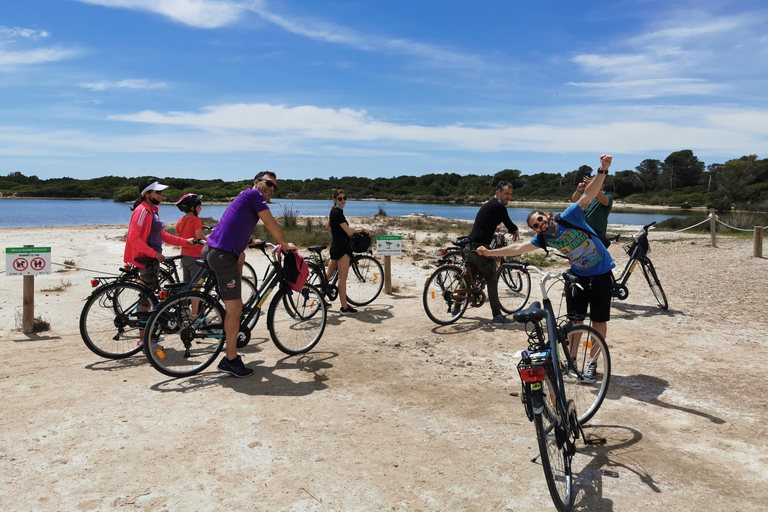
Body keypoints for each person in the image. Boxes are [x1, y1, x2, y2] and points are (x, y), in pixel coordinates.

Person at [478, 155, 615, 382]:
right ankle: (571, 362)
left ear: (547, 215)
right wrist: (491, 253)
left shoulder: (570, 215)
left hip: (601, 272)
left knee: (599, 321)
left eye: (541, 219)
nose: (540, 224)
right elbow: (517, 247)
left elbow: (589, 194)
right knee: (575, 321)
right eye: (536, 225)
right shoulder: (543, 239)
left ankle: (592, 364)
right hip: (579, 276)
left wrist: (603, 170)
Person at [205, 171, 297, 378]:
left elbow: (236, 223)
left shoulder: (245, 196)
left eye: (274, 187)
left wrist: (251, 241)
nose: (271, 189)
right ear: (256, 183)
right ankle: (230, 360)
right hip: (223, 255)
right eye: (268, 183)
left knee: (242, 257)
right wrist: (285, 244)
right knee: (234, 309)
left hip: (217, 250)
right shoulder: (254, 196)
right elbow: (271, 224)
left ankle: (229, 321)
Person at [124, 178, 195, 345]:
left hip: (152, 259)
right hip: (147, 259)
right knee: (146, 299)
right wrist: (153, 253)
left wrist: (185, 241)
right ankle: (143, 339)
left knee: (149, 297)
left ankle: (150, 335)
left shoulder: (152, 211)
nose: (162, 195)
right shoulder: (142, 211)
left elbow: (162, 235)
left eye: (162, 192)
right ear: (147, 194)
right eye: (158, 192)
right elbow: (133, 237)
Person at [467, 181, 521, 326]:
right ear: (498, 193)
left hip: (471, 245)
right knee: (492, 278)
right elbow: (508, 223)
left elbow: (489, 221)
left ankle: (457, 306)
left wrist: (495, 228)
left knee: (470, 275)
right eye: (506, 194)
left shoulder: (490, 205)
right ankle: (497, 315)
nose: (508, 197)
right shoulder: (499, 206)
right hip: (481, 247)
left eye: (510, 194)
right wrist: (515, 230)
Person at [326, 189, 370, 315]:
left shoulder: (334, 210)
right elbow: (349, 231)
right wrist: (362, 229)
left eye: (344, 198)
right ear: (335, 200)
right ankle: (344, 307)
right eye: (340, 199)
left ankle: (319, 297)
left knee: (328, 275)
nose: (343, 200)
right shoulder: (338, 213)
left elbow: (328, 226)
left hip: (335, 245)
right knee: (342, 278)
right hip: (342, 247)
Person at [175, 193, 206, 317]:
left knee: (187, 285)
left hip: (184, 256)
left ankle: (184, 310)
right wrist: (208, 238)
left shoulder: (180, 221)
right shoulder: (196, 220)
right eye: (199, 206)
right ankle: (195, 315)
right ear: (193, 208)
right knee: (196, 288)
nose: (201, 209)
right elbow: (199, 239)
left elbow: (178, 238)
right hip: (195, 257)